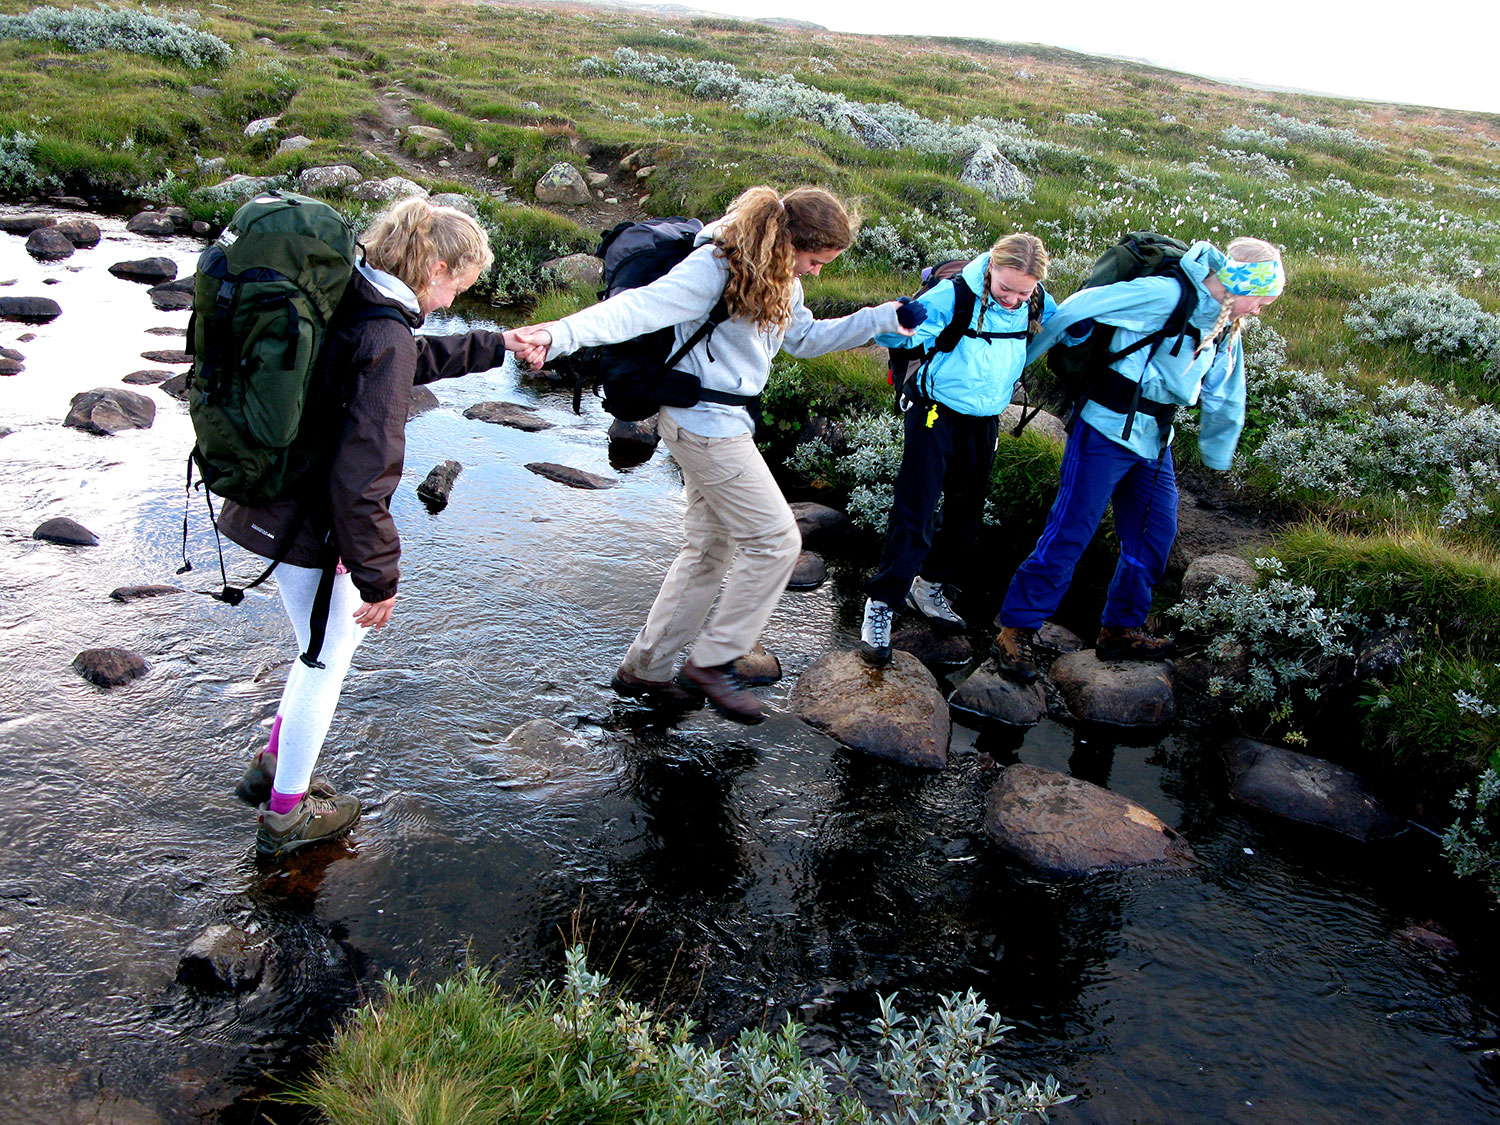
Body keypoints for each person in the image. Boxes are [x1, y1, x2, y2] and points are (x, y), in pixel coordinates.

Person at [507, 186, 920, 724]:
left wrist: (882, 319)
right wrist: (555, 333)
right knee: (777, 542)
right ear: (788, 239)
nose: (816, 273)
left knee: (709, 551)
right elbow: (636, 309)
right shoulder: (715, 266)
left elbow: (803, 338)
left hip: (725, 423)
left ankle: (644, 670)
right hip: (704, 428)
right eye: (815, 261)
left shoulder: (782, 278)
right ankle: (714, 662)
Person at [219, 197, 505, 861]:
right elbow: (363, 476)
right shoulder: (386, 333)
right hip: (308, 524)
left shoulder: (351, 293)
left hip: (270, 502)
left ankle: (272, 761)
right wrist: (378, 573)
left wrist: (493, 346)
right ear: (435, 268)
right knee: (326, 661)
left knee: (312, 647)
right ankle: (287, 816)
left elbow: (399, 360)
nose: (449, 300)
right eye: (456, 287)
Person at [991, 236, 1284, 681]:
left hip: (1154, 441)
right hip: (1104, 431)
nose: (1261, 309)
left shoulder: (1225, 323)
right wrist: (1014, 368)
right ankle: (1016, 630)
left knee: (1154, 536)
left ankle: (1120, 629)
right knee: (1070, 533)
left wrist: (1217, 452)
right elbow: (1077, 308)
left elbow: (1228, 389)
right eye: (1261, 299)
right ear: (1243, 284)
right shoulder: (1167, 294)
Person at [858, 233, 1054, 665]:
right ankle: (881, 604)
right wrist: (899, 323)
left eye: (1024, 292)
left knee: (967, 514)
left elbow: (1057, 331)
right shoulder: (953, 295)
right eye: (1006, 288)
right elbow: (904, 338)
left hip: (983, 417)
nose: (1013, 299)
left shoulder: (1037, 301)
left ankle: (927, 585)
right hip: (934, 410)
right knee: (917, 507)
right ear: (990, 269)